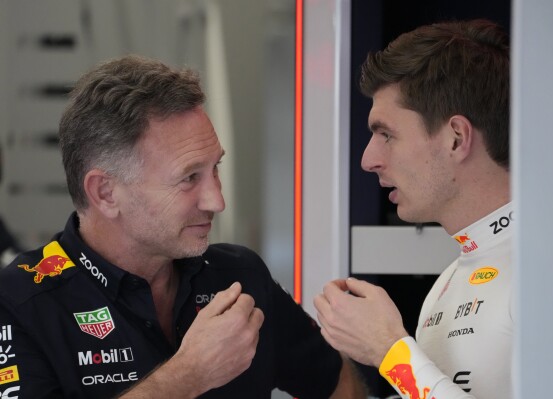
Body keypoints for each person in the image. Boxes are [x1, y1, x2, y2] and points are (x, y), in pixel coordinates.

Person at [0, 55, 367, 398]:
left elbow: (338, 384)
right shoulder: (19, 302)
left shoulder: (239, 277)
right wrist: (188, 376)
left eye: (215, 169)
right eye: (189, 177)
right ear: (106, 193)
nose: (217, 201)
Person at [314, 19, 511, 399]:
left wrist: (390, 351)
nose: (368, 160)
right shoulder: (449, 281)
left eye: (386, 134)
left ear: (456, 139)